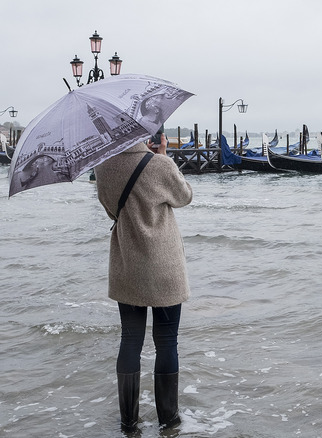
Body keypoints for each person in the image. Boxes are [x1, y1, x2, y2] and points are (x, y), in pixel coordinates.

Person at [94, 132, 192, 432]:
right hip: (165, 266)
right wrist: (162, 156)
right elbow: (184, 196)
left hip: (128, 263)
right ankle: (168, 420)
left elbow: (112, 210)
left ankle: (128, 423)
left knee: (130, 340)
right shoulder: (158, 165)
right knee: (166, 343)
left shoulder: (103, 168)